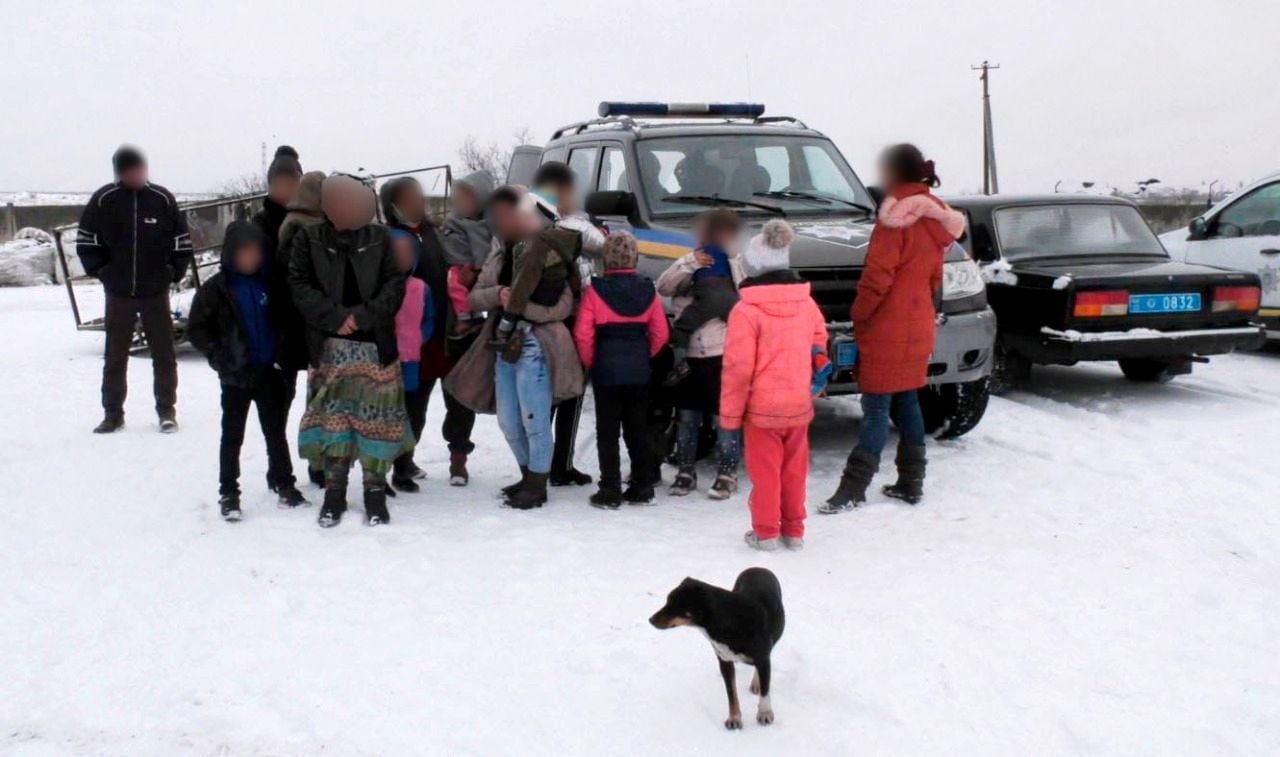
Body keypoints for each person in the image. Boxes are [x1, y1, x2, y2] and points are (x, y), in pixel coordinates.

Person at [821, 144, 965, 513]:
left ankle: (853, 488)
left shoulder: (895, 215)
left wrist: (860, 314)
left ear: (894, 173)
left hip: (887, 323)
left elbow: (877, 278)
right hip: (918, 322)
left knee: (875, 409)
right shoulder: (936, 218)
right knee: (908, 399)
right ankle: (911, 482)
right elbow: (934, 277)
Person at [449, 186, 583, 509]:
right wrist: (500, 295)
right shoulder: (500, 252)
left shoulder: (552, 253)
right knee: (508, 421)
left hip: (537, 344)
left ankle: (537, 484)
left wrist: (522, 310)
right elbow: (473, 297)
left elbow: (565, 305)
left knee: (535, 418)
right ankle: (527, 475)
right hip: (502, 343)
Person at [289, 175, 411, 527]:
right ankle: (334, 494)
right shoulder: (308, 239)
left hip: (375, 347)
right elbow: (299, 284)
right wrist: (334, 317)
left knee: (378, 424)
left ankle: (375, 492)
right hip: (329, 348)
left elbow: (394, 282)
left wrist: (364, 315)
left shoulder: (381, 238)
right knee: (334, 424)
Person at [187, 221, 309, 521]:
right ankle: (229, 492)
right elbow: (197, 329)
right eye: (244, 252)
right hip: (235, 376)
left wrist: (284, 355)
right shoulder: (216, 289)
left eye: (256, 252)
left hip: (269, 372)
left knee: (275, 432)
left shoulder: (271, 284)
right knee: (232, 435)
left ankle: (284, 484)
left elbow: (285, 323)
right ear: (230, 254)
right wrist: (220, 357)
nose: (251, 258)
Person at [719, 220, 828, 551]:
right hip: (797, 403)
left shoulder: (746, 311)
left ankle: (766, 532)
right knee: (794, 470)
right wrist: (813, 389)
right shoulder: (807, 304)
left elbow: (738, 368)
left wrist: (730, 416)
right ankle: (794, 531)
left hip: (762, 409)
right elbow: (819, 348)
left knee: (765, 473)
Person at [77, 145, 193, 434]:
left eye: (139, 169)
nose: (136, 175)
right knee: (115, 356)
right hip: (118, 294)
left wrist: (172, 272)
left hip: (155, 292)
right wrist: (102, 272)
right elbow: (86, 241)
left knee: (164, 355)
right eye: (130, 170)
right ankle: (112, 413)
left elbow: (182, 242)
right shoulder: (104, 200)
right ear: (119, 172)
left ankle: (167, 411)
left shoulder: (162, 199)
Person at [381, 175, 478, 485]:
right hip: (416, 342)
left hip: (449, 335)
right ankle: (402, 463)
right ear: (393, 205)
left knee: (461, 401)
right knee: (413, 408)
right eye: (409, 198)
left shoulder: (432, 232)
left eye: (418, 196)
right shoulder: (390, 240)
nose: (417, 202)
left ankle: (459, 459)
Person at [654, 210, 746, 500]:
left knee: (725, 418)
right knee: (687, 417)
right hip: (690, 355)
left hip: (722, 353)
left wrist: (732, 259)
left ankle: (727, 472)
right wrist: (689, 262)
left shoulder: (735, 262)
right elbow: (664, 286)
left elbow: (746, 294)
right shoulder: (689, 261)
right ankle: (685, 471)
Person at [572, 232, 669, 508]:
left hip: (606, 370)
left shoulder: (595, 291)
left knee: (607, 431)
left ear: (606, 258)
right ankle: (642, 485)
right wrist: (644, 354)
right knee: (638, 428)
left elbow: (583, 335)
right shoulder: (648, 289)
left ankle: (610, 488)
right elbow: (661, 333)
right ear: (635, 257)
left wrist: (592, 361)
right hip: (639, 371)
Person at [532, 161, 606, 488]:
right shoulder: (571, 226)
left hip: (541, 319)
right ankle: (558, 465)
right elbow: (600, 245)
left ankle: (539, 464)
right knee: (571, 394)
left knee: (544, 395)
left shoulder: (530, 223)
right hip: (572, 318)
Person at [665, 208, 742, 387]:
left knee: (683, 327)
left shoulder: (699, 256)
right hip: (730, 300)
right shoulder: (730, 256)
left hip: (708, 296)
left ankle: (679, 364)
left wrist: (690, 262)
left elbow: (664, 287)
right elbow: (744, 288)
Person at [388, 228, 436, 493]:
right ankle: (377, 473)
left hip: (411, 362)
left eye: (409, 253)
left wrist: (420, 337)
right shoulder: (378, 287)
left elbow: (429, 319)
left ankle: (403, 466)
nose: (403, 258)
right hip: (383, 364)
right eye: (398, 252)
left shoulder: (420, 288)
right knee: (384, 419)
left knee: (412, 417)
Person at [441, 170, 497, 343]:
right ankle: (464, 317)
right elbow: (450, 246)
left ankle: (473, 317)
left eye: (469, 199)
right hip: (461, 269)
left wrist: (480, 269)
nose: (464, 204)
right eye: (461, 199)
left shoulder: (492, 223)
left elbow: (487, 250)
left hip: (484, 276)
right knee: (455, 284)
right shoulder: (454, 222)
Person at [252, 145, 302, 262]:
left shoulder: (309, 220)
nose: (284, 191)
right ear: (270, 188)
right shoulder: (260, 224)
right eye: (279, 185)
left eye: (290, 185)